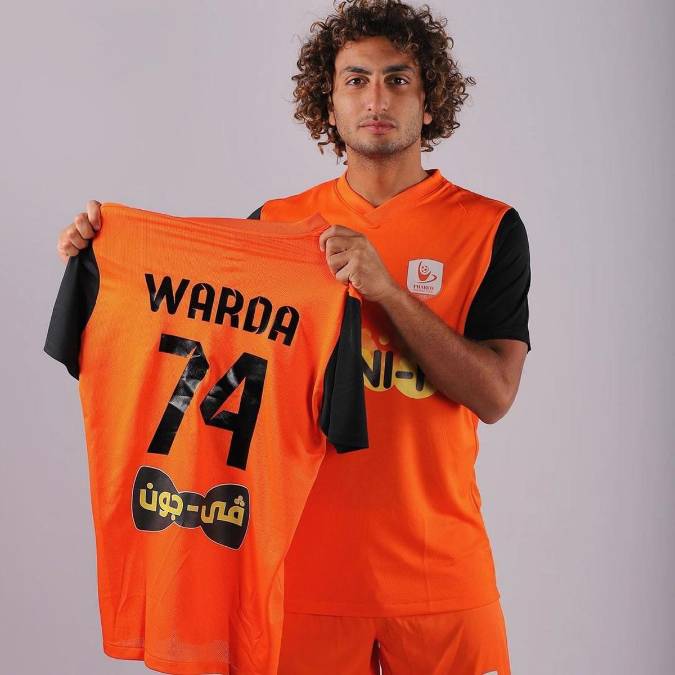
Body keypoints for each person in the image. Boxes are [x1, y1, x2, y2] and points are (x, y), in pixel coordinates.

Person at [56, 2, 531, 673]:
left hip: (442, 582)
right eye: (355, 80)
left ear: (430, 104)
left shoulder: (489, 227)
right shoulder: (276, 227)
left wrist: (388, 291)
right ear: (328, 106)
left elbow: (495, 393)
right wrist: (106, 270)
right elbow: (196, 356)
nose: (376, 98)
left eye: (398, 80)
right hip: (297, 581)